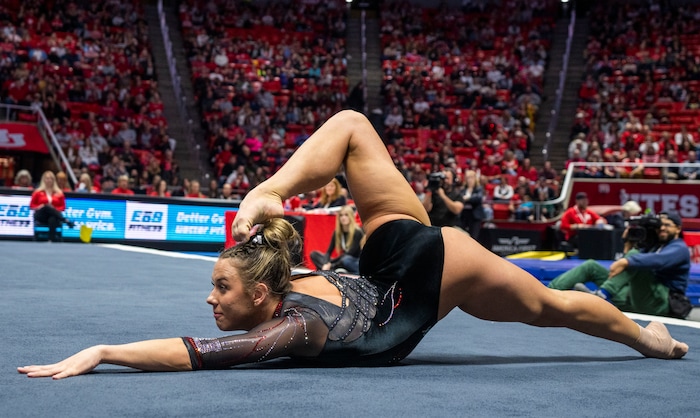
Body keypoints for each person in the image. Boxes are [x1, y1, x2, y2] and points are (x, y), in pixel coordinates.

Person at [18, 111, 687, 380]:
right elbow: (205, 341)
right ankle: (646, 337)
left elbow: (201, 355)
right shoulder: (289, 305)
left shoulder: (293, 324)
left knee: (552, 308)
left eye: (221, 287)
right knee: (544, 308)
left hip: (420, 263)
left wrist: (102, 352)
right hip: (391, 279)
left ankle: (647, 339)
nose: (209, 298)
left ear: (261, 292)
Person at [548, 212, 690, 318]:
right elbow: (630, 264)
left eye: (667, 225)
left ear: (678, 229)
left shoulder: (680, 248)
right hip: (636, 297)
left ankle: (602, 295)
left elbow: (658, 260)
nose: (662, 229)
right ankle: (548, 295)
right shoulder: (655, 245)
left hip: (661, 303)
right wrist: (627, 245)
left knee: (635, 258)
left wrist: (626, 260)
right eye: (660, 226)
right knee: (591, 266)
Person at [309, 205, 365, 274]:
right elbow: (328, 252)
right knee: (314, 254)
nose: (343, 218)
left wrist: (331, 264)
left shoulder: (357, 232)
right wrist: (326, 262)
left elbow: (350, 253)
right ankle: (331, 269)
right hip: (340, 261)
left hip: (353, 261)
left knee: (346, 259)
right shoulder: (337, 232)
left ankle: (331, 269)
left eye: (346, 215)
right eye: (341, 215)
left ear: (350, 216)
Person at [29, 171, 75, 242]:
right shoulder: (37, 192)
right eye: (47, 178)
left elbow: (62, 207)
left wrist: (54, 209)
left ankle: (51, 239)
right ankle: (65, 220)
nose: (49, 180)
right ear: (43, 180)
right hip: (41, 214)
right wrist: (39, 206)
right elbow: (31, 206)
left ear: (53, 180)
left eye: (51, 178)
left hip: (54, 215)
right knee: (46, 206)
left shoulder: (59, 193)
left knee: (52, 218)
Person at [459, 170, 485, 240]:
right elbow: (460, 198)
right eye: (467, 178)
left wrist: (467, 198)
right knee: (462, 236)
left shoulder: (479, 188)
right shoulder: (463, 189)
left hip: (475, 216)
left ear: (475, 178)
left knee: (474, 237)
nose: (469, 180)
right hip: (464, 215)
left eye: (471, 177)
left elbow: (478, 198)